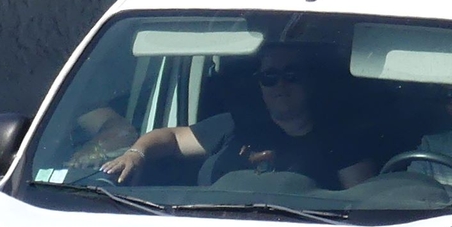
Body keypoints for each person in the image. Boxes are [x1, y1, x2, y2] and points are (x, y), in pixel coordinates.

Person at [101, 45, 382, 192]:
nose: (279, 85)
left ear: (311, 81)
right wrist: (136, 153)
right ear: (259, 84)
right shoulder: (234, 125)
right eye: (269, 77)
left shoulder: (343, 142)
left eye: (291, 75)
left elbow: (359, 204)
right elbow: (172, 138)